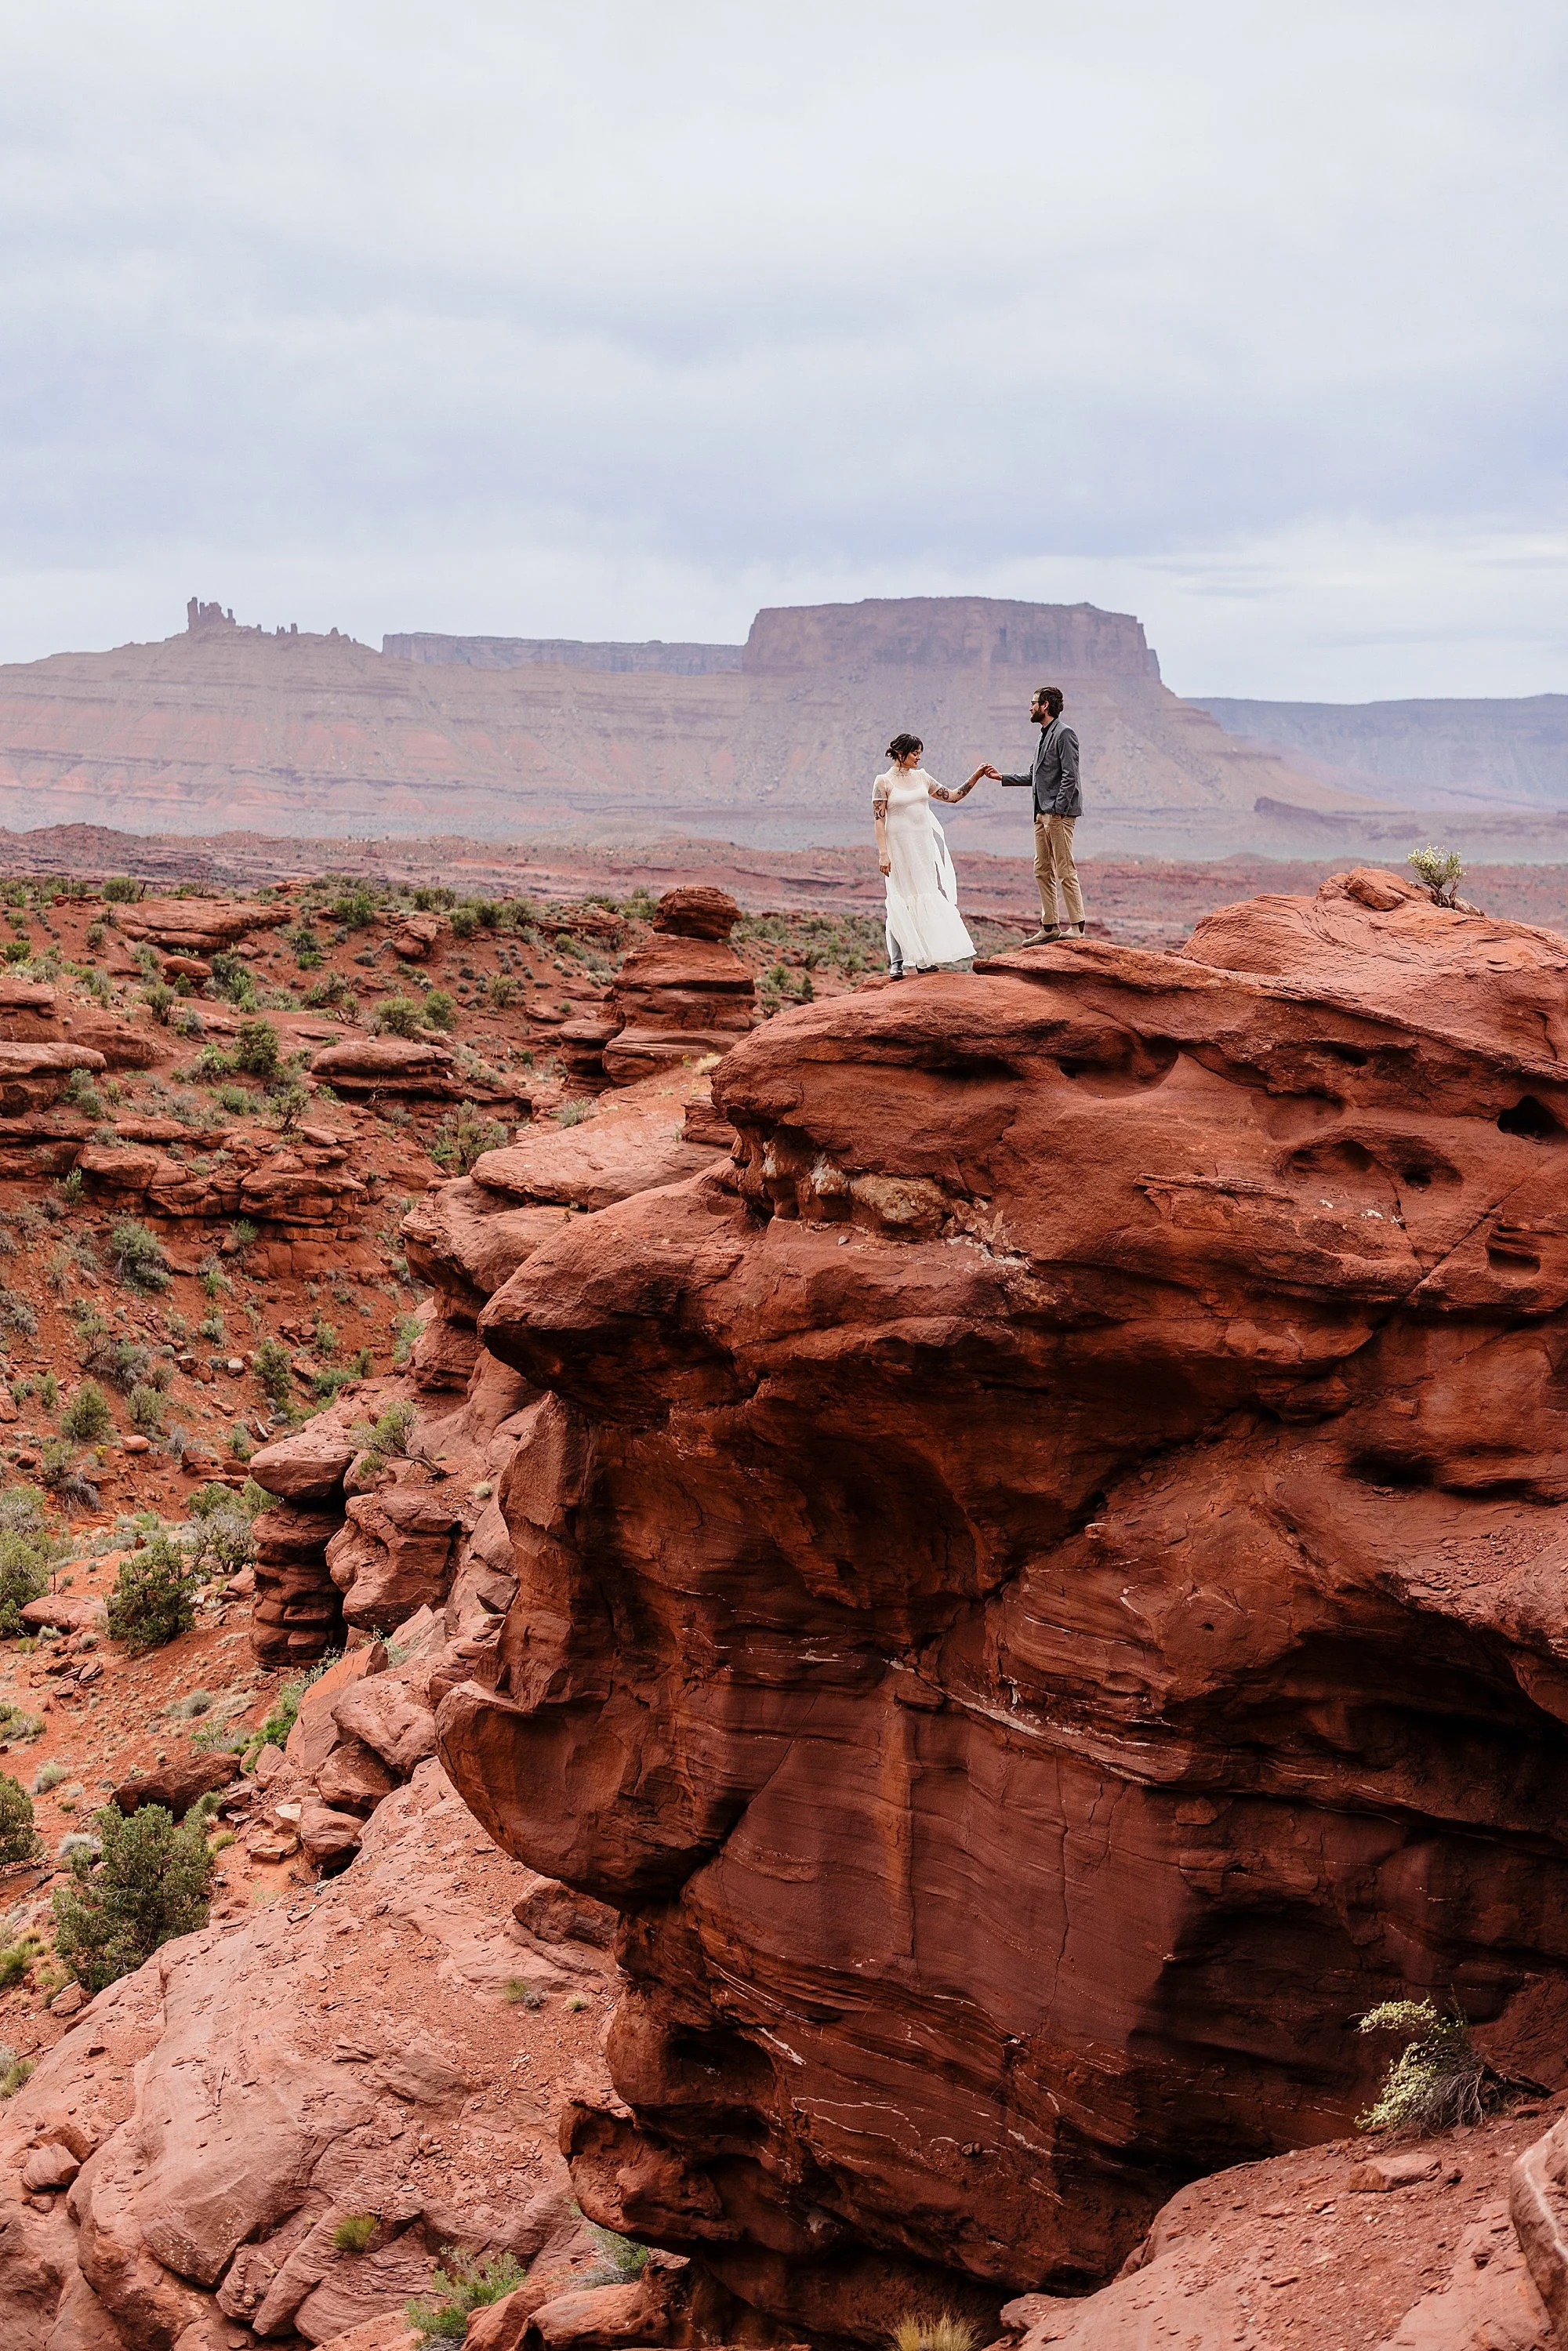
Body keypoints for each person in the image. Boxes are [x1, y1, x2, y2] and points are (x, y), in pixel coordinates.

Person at [873, 733, 988, 977]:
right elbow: (879, 821)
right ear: (900, 753)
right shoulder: (883, 782)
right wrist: (883, 854)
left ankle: (924, 959)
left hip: (922, 849)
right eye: (914, 752)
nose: (918, 757)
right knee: (899, 900)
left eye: (920, 752)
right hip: (898, 850)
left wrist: (976, 776)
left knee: (923, 896)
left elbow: (953, 796)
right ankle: (898, 961)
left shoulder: (922, 777)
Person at [979, 684, 1085, 942]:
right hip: (1041, 813)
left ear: (1045, 705)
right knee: (1041, 869)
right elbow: (1034, 776)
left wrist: (1058, 808)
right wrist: (1001, 777)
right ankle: (1049, 927)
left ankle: (1078, 928)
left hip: (1058, 814)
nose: (1030, 707)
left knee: (1064, 869)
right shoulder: (1043, 736)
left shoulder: (1065, 734)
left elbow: (1071, 776)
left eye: (1033, 702)